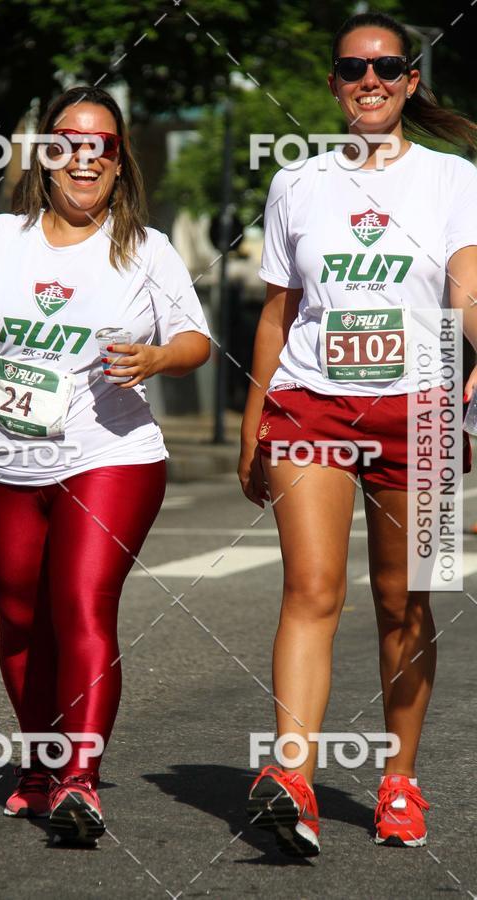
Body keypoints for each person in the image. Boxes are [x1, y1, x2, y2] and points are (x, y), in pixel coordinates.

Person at [0, 85, 210, 843]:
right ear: (43, 155)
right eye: (68, 142)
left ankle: (80, 782)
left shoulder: (147, 250)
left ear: (121, 165)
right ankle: (38, 766)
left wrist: (155, 356)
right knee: (21, 621)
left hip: (110, 455)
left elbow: (196, 341)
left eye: (104, 146)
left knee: (82, 605)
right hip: (1, 454)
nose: (85, 157)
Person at [239, 11, 477, 855]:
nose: (369, 81)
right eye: (352, 69)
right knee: (311, 591)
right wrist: (253, 419)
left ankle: (400, 781)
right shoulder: (297, 183)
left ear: (412, 80)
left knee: (404, 602)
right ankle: (292, 778)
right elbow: (278, 311)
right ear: (334, 84)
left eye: (387, 67)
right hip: (312, 403)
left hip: (422, 410)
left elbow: (467, 287)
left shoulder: (453, 177)